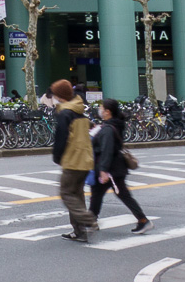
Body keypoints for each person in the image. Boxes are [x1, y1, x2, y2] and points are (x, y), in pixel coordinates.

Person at [87, 98, 150, 235]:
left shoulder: (108, 128)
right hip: (113, 168)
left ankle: (143, 220)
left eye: (101, 108)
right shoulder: (111, 125)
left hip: (111, 170)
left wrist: (103, 170)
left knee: (121, 195)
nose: (100, 110)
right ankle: (91, 221)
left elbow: (107, 150)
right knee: (98, 194)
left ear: (107, 112)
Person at [49, 79, 97, 242]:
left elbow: (61, 138)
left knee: (67, 193)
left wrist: (57, 156)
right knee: (77, 195)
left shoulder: (65, 113)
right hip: (85, 159)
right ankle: (79, 232)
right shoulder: (79, 110)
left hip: (73, 160)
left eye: (55, 94)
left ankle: (88, 220)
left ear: (60, 95)